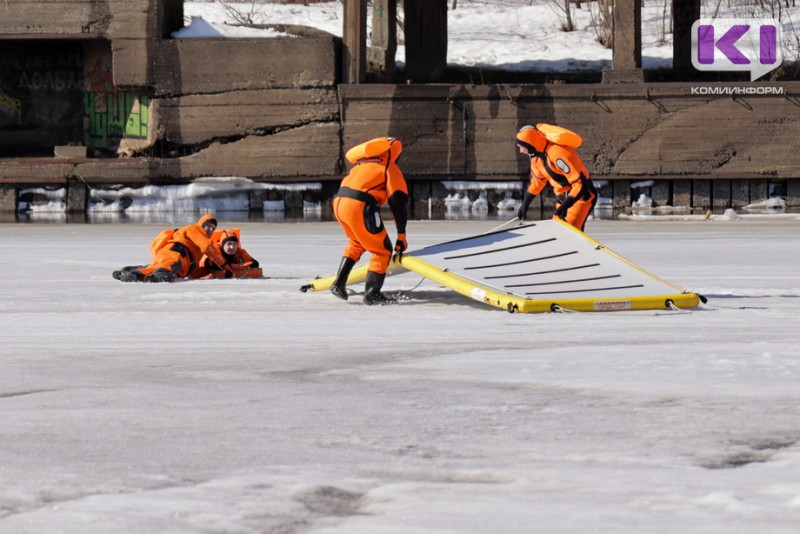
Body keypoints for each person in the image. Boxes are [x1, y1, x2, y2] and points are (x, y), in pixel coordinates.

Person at [330, 136, 408, 305]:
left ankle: (339, 283)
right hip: (359, 205)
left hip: (338, 204)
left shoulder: (360, 165)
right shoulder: (388, 166)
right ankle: (372, 294)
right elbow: (398, 202)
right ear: (392, 152)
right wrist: (401, 235)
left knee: (357, 242)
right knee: (383, 250)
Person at [515, 123, 597, 231]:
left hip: (581, 198)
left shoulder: (557, 153)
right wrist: (525, 203)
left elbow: (580, 184)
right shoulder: (536, 159)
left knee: (568, 233)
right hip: (564, 200)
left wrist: (567, 205)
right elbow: (537, 182)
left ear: (530, 143)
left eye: (522, 147)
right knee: (559, 232)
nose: (521, 151)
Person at [112, 214, 229, 283]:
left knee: (155, 269)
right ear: (201, 225)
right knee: (170, 265)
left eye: (213, 228)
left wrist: (211, 271)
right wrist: (224, 265)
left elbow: (193, 273)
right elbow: (208, 247)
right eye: (208, 226)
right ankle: (159, 274)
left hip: (175, 258)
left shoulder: (197, 248)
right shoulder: (194, 229)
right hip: (175, 252)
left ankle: (133, 272)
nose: (210, 230)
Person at [192, 228, 262, 279]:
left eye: (234, 244)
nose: (232, 247)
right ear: (222, 244)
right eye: (229, 244)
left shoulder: (240, 251)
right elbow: (206, 264)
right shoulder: (215, 251)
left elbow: (255, 263)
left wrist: (236, 267)